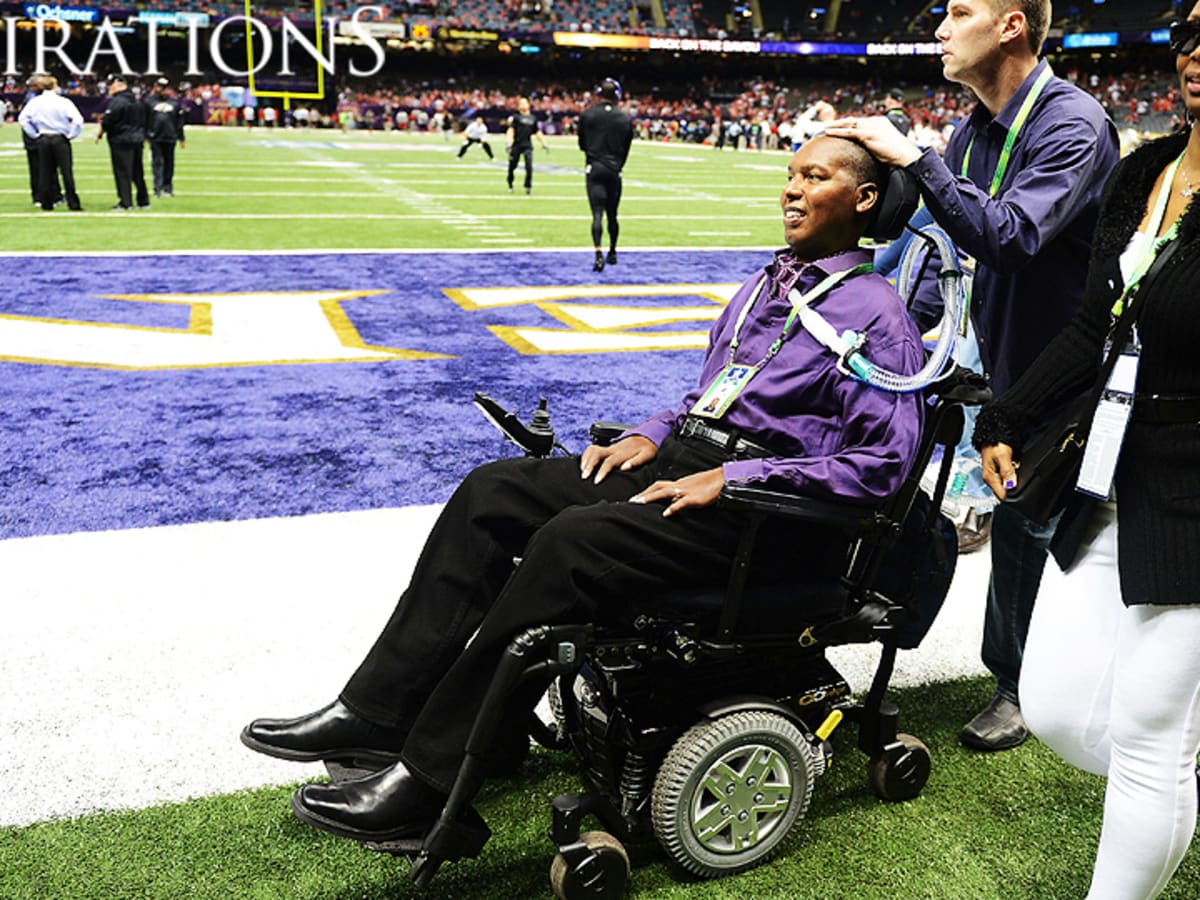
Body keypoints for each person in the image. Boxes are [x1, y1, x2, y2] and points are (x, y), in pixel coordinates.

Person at [240, 135, 928, 844]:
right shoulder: (768, 282)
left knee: (572, 542)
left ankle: (435, 777)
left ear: (863, 199)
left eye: (813, 177)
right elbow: (711, 397)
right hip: (689, 461)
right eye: (789, 174)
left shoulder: (879, 317)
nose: (790, 189)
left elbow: (882, 464)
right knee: (492, 494)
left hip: (759, 515)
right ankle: (381, 709)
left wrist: (735, 476)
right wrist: (654, 432)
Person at [825, 0, 1119, 752]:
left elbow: (1011, 235)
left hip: (1072, 369)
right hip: (1010, 357)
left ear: (1012, 25)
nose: (941, 29)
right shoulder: (975, 129)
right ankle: (1020, 678)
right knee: (1021, 517)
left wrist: (912, 158)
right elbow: (949, 248)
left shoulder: (1071, 124)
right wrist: (880, 330)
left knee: (1053, 529)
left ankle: (1034, 688)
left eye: (959, 13)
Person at [973, 12, 1200, 895]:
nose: (1195, 56)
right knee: (1061, 707)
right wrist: (1007, 414)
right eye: (1188, 36)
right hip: (1106, 465)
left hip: (1194, 481)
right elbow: (1092, 327)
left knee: (1149, 733)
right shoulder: (1144, 169)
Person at [577, 78, 633, 273]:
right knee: (613, 214)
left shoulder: (588, 115)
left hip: (594, 167)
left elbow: (582, 144)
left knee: (597, 214)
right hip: (614, 169)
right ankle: (613, 252)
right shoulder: (624, 118)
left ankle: (598, 254)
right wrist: (618, 164)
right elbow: (627, 146)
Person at [18, 74, 83, 212]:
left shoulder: (35, 102)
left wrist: (35, 134)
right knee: (66, 172)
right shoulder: (63, 102)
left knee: (44, 172)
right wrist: (71, 135)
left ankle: (46, 202)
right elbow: (77, 120)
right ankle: (73, 202)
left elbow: (23, 119)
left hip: (43, 138)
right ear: (54, 86)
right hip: (60, 138)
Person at [97, 74, 150, 211]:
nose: (108, 88)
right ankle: (143, 201)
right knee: (137, 172)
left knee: (123, 172)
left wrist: (101, 133)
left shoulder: (117, 101)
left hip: (121, 140)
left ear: (118, 85)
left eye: (110, 85)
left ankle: (126, 202)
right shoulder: (136, 100)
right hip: (137, 139)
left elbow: (108, 120)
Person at [20, 76, 61, 208]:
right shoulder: (34, 99)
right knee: (41, 168)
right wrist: (36, 135)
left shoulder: (34, 98)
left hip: (37, 138)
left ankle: (51, 195)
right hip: (37, 139)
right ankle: (44, 196)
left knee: (43, 168)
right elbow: (27, 120)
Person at [144, 77, 186, 198]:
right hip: (155, 137)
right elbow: (146, 119)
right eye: (159, 87)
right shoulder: (149, 102)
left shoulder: (174, 103)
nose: (161, 90)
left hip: (170, 137)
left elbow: (179, 122)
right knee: (156, 163)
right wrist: (145, 136)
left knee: (169, 164)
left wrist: (181, 138)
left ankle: (167, 187)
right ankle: (157, 188)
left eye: (163, 88)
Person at [505, 96, 548, 194]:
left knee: (529, 166)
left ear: (528, 105)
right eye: (521, 104)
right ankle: (510, 183)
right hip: (516, 145)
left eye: (524, 103)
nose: (523, 105)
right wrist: (508, 142)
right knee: (512, 166)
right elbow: (511, 130)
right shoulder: (516, 118)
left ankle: (528, 186)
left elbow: (537, 132)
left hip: (527, 145)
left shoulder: (533, 118)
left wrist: (544, 143)